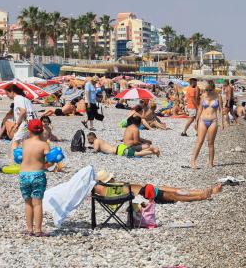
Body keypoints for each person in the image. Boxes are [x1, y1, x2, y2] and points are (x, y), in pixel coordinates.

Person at [93, 171, 222, 203]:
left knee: (176, 190)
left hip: (148, 189)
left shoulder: (110, 187)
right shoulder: (107, 189)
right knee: (175, 196)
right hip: (146, 194)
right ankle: (201, 197)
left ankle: (205, 191)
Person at [19, 119, 50, 237]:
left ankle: (29, 229)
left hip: (24, 175)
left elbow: (21, 156)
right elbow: (50, 160)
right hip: (37, 175)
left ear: (29, 131)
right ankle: (38, 230)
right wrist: (49, 162)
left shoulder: (25, 142)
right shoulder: (44, 144)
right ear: (42, 130)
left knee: (28, 203)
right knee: (37, 203)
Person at [191, 80, 221, 169]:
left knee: (211, 143)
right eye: (206, 90)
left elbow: (221, 110)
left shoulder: (218, 97)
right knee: (199, 142)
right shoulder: (203, 96)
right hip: (202, 120)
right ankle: (193, 161)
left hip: (213, 121)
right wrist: (196, 120)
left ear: (213, 89)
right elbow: (200, 109)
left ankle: (211, 162)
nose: (207, 92)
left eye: (209, 90)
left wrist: (222, 123)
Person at [6, 84, 36, 162]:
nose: (7, 96)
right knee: (26, 142)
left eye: (7, 94)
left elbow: (23, 112)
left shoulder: (17, 98)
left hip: (26, 123)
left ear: (12, 92)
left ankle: (13, 161)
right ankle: (29, 160)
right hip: (34, 122)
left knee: (15, 141)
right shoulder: (25, 99)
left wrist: (17, 124)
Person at [86, 132, 160, 157]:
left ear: (92, 138)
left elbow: (96, 150)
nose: (89, 141)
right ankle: (150, 149)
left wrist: (91, 150)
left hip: (120, 151)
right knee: (137, 153)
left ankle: (153, 152)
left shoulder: (96, 141)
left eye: (89, 139)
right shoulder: (99, 140)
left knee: (137, 154)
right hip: (120, 148)